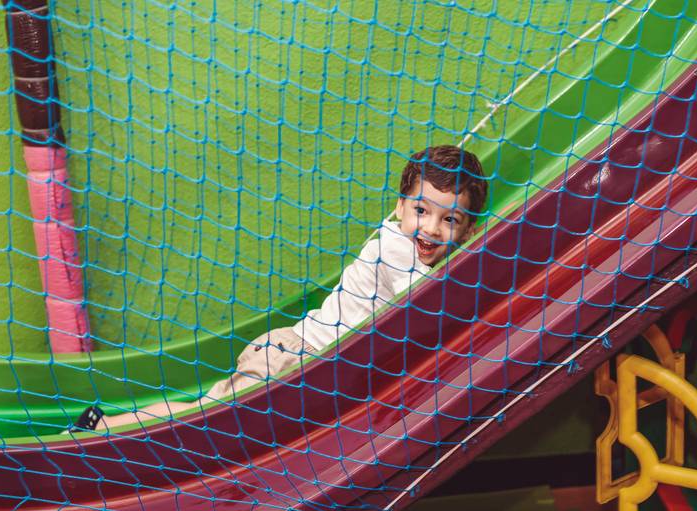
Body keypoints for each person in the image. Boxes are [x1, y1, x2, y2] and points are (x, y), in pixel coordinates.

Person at [69, 145, 488, 432]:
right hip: (292, 358)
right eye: (421, 211)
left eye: (449, 220)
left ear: (468, 230)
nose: (431, 228)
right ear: (400, 208)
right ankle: (102, 427)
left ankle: (102, 425)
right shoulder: (396, 248)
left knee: (208, 413)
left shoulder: (414, 250)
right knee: (205, 417)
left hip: (310, 365)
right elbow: (428, 300)